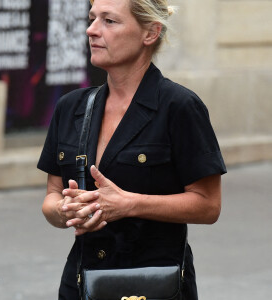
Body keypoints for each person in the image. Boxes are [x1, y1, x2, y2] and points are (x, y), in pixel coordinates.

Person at [37, 0, 227, 299]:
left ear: (150, 33)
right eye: (92, 18)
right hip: (81, 282)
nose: (91, 30)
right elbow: (52, 196)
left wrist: (129, 204)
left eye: (109, 21)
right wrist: (65, 211)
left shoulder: (179, 106)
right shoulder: (71, 106)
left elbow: (208, 205)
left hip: (152, 284)